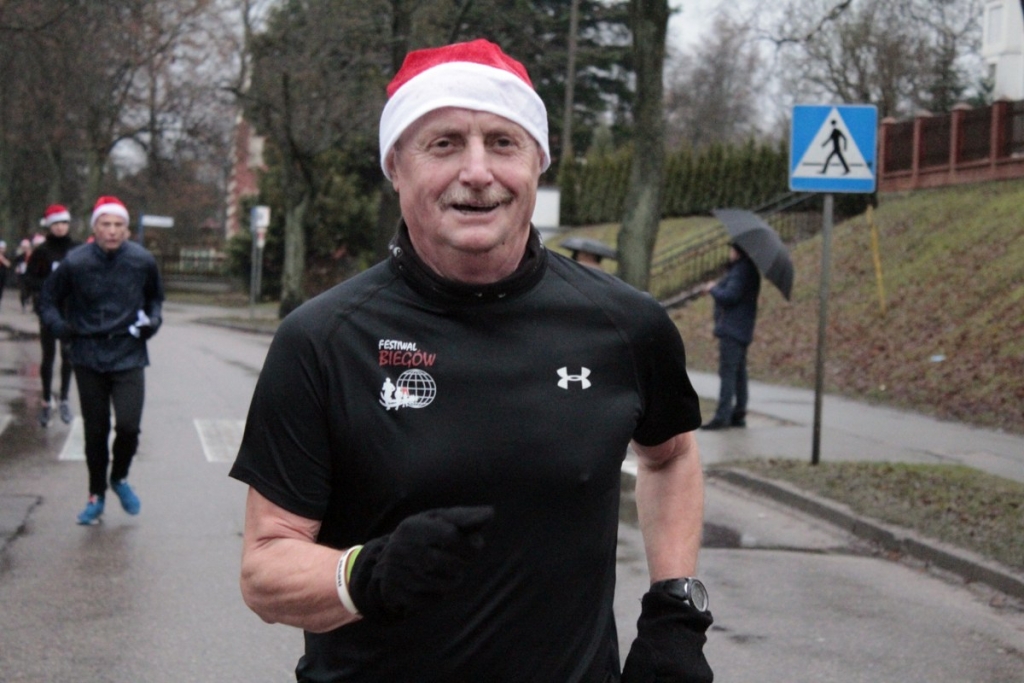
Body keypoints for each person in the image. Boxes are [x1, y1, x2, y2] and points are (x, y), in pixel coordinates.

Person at [230, 39, 713, 683]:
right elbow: (266, 567)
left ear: (538, 163)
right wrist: (363, 575)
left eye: (503, 143)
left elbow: (670, 456)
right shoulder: (322, 340)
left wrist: (675, 611)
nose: (478, 171)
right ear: (395, 166)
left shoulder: (625, 325)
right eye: (445, 143)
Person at [39, 196, 164, 525]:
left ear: (127, 230)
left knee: (128, 426)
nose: (112, 231)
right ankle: (96, 495)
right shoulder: (75, 262)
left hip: (128, 353)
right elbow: (47, 300)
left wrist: (153, 322)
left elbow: (155, 300)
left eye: (118, 225)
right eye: (105, 224)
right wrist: (59, 328)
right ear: (95, 227)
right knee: (96, 432)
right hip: (88, 355)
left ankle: (119, 477)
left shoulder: (142, 261)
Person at [25, 205, 79, 426]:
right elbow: (29, 278)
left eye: (64, 223)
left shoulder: (77, 249)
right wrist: (48, 287)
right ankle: (47, 400)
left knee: (68, 355)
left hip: (71, 310)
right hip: (48, 310)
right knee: (48, 355)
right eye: (56, 223)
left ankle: (64, 398)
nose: (60, 227)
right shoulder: (42, 251)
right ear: (49, 226)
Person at [701, 242, 761, 430]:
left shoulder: (740, 271)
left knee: (727, 373)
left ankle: (723, 416)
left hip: (732, 329)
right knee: (739, 373)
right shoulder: (749, 270)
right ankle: (738, 413)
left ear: (738, 251)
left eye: (732, 249)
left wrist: (713, 289)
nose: (729, 252)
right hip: (742, 329)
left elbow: (729, 296)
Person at [0, 240, 10, 310]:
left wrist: (2, 259)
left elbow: (8, 264)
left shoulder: (6, 256)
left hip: (2, 275)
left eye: (2, 248)